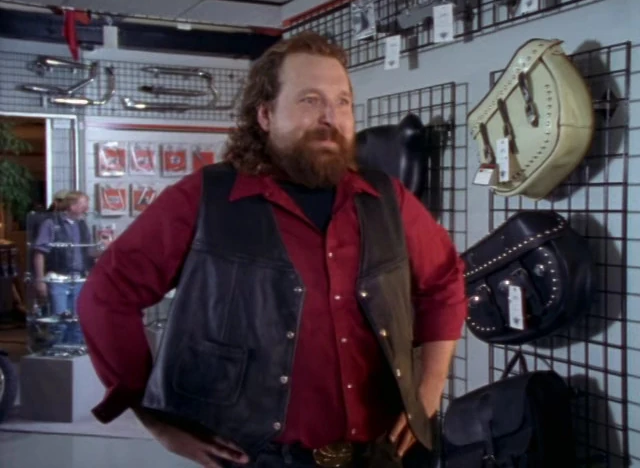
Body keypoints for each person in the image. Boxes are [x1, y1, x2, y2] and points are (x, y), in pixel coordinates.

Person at [77, 32, 468, 468]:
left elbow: (444, 281)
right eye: (310, 100)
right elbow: (107, 294)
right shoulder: (205, 199)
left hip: (381, 454)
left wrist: (429, 388)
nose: (330, 117)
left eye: (342, 102)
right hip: (260, 457)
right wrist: (151, 415)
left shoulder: (387, 199)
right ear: (265, 114)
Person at [33, 190, 92, 345]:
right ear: (72, 206)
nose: (87, 209)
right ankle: (57, 351)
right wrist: (40, 280)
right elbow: (40, 253)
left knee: (77, 321)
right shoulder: (51, 224)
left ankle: (74, 350)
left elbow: (87, 252)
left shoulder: (82, 225)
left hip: (79, 279)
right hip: (58, 278)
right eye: (83, 205)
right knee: (59, 321)